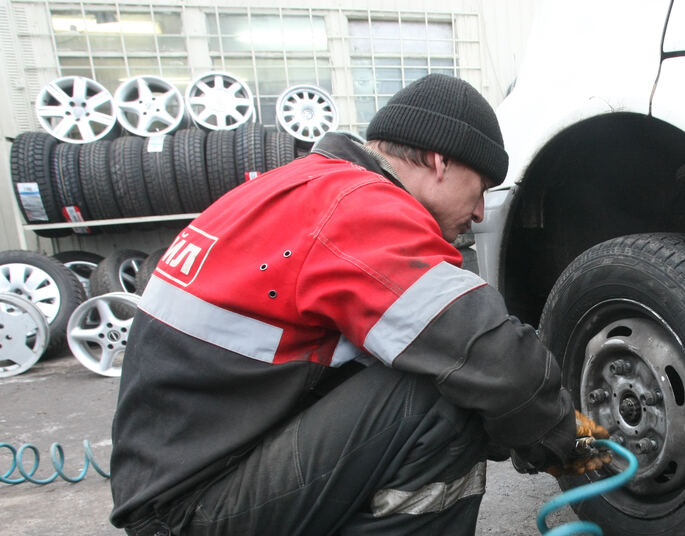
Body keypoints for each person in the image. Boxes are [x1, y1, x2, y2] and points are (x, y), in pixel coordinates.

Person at [109, 74, 601, 536]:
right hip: (188, 510)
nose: (478, 212)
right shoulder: (358, 210)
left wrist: (509, 424)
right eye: (481, 188)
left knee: (447, 376)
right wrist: (567, 439)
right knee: (438, 402)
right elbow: (494, 360)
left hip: (193, 470)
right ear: (439, 162)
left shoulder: (308, 186)